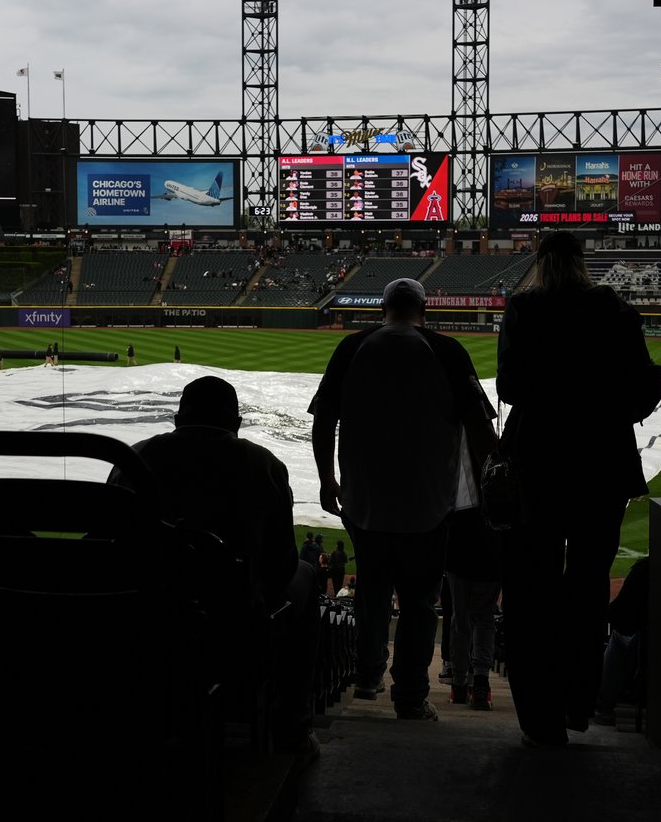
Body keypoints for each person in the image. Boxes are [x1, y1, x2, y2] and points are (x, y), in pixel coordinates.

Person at [495, 230, 661, 748]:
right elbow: (646, 383)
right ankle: (576, 704)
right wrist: (613, 411)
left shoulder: (524, 307)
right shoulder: (614, 309)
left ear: (542, 261)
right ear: (582, 261)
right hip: (600, 465)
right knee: (589, 588)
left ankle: (537, 716)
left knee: (532, 589)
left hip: (539, 463)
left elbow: (509, 388)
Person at [108, 375, 321, 767]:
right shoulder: (263, 464)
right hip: (234, 620)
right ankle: (293, 725)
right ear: (236, 424)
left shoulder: (135, 459)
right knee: (307, 574)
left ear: (176, 418)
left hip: (145, 613)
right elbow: (282, 566)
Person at [310, 277, 496, 721]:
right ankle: (410, 695)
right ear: (424, 310)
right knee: (418, 601)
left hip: (364, 498)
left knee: (372, 590)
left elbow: (323, 420)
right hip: (430, 502)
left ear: (383, 309)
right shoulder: (448, 350)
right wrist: (492, 485)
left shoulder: (352, 347)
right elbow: (481, 428)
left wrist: (325, 479)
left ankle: (369, 673)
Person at [443, 507, 502, 711]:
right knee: (484, 619)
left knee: (461, 619)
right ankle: (480, 685)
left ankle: (459, 685)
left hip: (460, 543)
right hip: (492, 545)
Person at [595, 556, 649, 726]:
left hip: (646, 651)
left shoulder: (645, 569)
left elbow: (620, 616)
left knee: (619, 635)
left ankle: (604, 706)